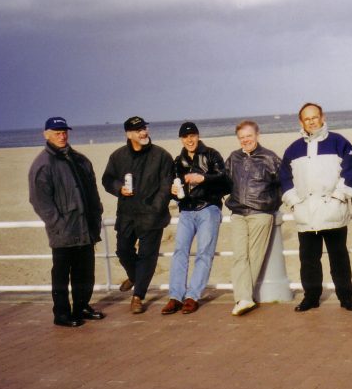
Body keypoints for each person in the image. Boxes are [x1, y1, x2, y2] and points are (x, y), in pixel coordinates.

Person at [280, 102, 352, 313]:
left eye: (315, 117)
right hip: (306, 214)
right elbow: (284, 179)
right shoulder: (293, 149)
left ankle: (346, 298)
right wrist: (294, 202)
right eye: (307, 119)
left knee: (339, 258)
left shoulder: (338, 142)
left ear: (322, 117)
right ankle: (311, 297)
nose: (312, 121)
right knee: (308, 260)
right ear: (301, 122)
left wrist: (339, 198)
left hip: (333, 211)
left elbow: (351, 172)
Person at [28, 116, 104, 328]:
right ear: (46, 134)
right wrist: (58, 224)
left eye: (64, 132)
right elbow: (39, 200)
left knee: (85, 271)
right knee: (61, 274)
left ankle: (81, 306)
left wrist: (96, 214)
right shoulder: (43, 165)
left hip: (86, 227)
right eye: (56, 132)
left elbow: (92, 192)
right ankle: (61, 313)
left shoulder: (79, 159)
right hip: (63, 231)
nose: (62, 136)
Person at [102, 116, 174, 314]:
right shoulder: (118, 156)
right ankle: (135, 277)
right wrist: (119, 188)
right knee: (122, 251)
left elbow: (166, 186)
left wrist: (156, 208)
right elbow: (107, 179)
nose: (143, 132)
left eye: (144, 128)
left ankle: (138, 296)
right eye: (138, 130)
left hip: (152, 216)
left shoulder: (162, 156)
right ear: (128, 134)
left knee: (147, 257)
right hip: (126, 214)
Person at [161, 121, 230, 316]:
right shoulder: (178, 161)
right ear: (181, 139)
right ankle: (175, 296)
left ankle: (192, 296)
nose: (189, 140)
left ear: (198, 136)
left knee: (204, 253)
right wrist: (173, 192)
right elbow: (176, 189)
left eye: (192, 136)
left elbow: (225, 180)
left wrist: (204, 178)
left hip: (209, 208)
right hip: (186, 210)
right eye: (185, 137)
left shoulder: (211, 154)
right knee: (179, 252)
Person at [225, 119, 282, 316]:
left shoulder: (270, 158)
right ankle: (245, 298)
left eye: (249, 136)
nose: (245, 140)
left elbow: (282, 184)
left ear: (257, 135)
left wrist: (271, 205)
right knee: (240, 256)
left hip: (261, 213)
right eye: (241, 137)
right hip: (238, 213)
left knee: (254, 256)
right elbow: (225, 182)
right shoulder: (233, 158)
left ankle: (243, 298)